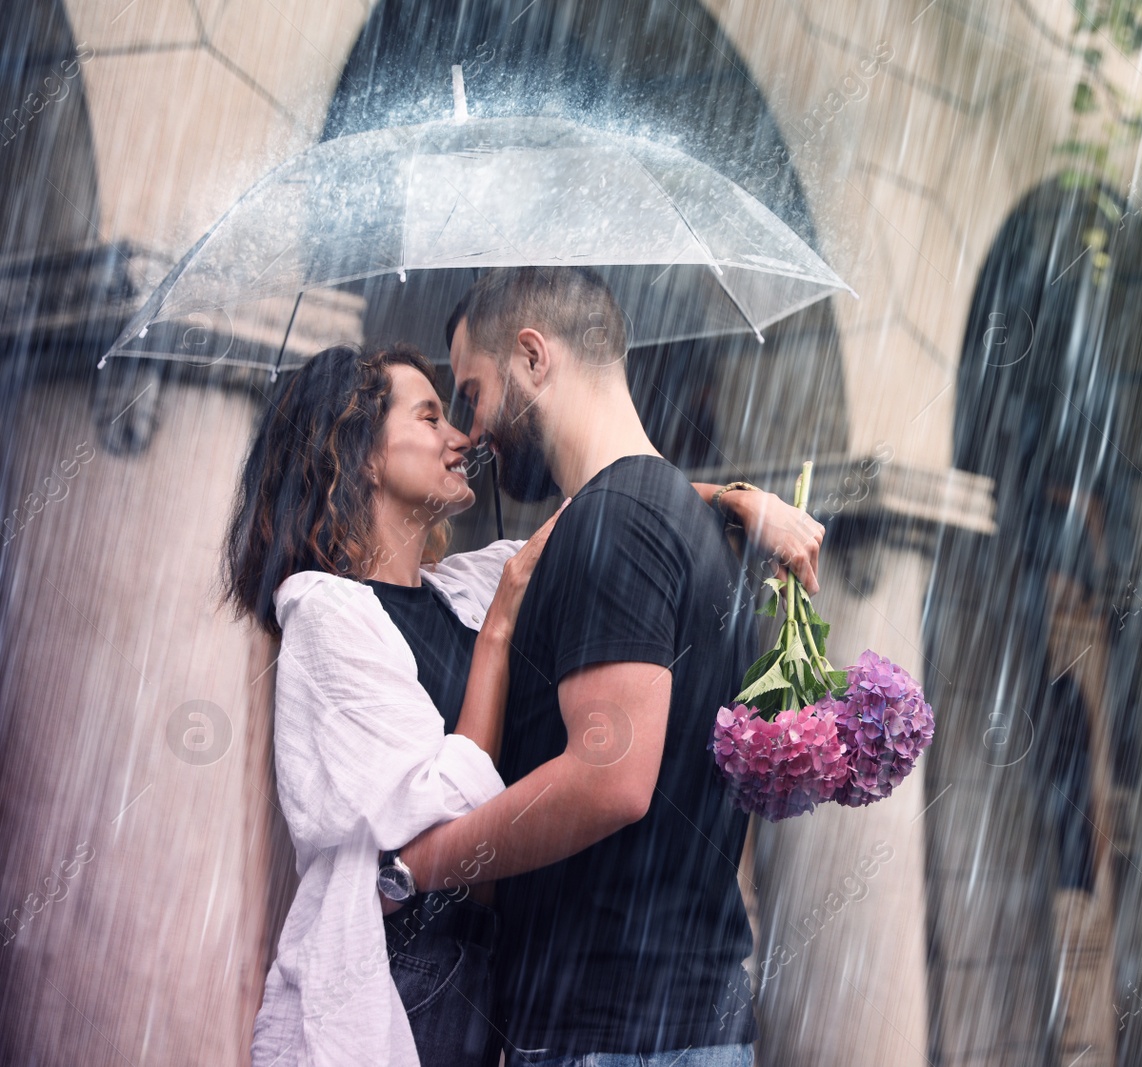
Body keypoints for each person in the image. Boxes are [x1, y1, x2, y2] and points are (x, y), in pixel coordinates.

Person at [224, 340, 821, 1067]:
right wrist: (500, 633)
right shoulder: (325, 611)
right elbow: (436, 804)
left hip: (486, 974)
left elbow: (607, 500)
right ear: (365, 456)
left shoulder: (460, 586)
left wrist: (736, 500)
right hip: (403, 968)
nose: (463, 438)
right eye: (432, 417)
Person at [391, 266, 817, 1067]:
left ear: (532, 356)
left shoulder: (613, 525)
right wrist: (732, 495)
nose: (471, 431)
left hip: (609, 1036)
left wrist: (417, 865)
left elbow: (608, 779)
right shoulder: (674, 519)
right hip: (676, 1024)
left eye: (472, 394)